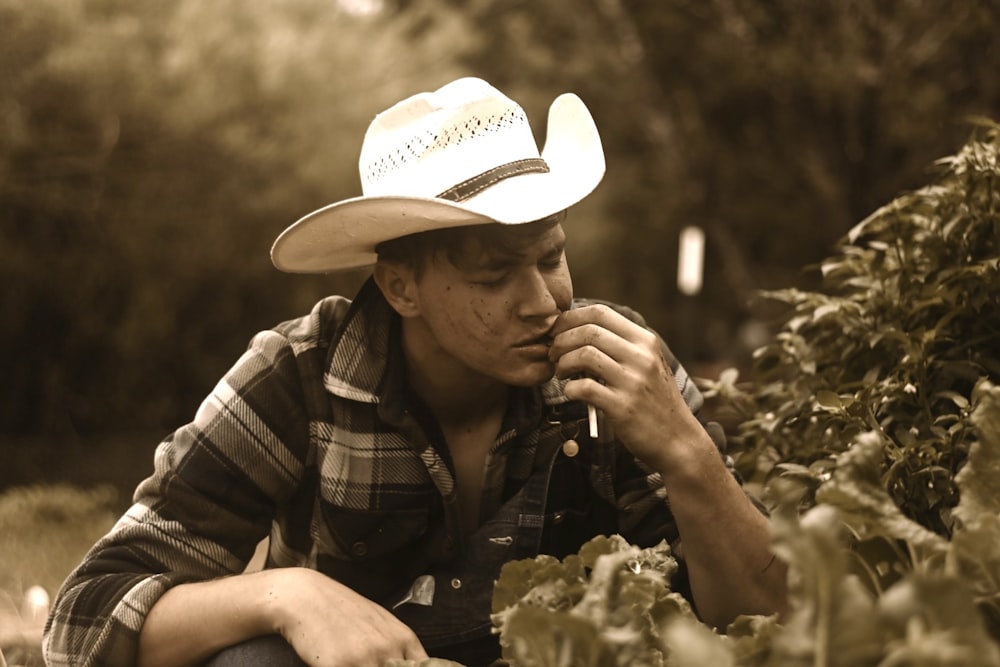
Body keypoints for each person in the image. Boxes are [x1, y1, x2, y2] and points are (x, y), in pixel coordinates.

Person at [43, 77, 787, 667]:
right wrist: (287, 594)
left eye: (553, 256)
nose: (546, 300)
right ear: (402, 287)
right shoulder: (297, 377)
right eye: (497, 274)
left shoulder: (622, 366)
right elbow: (81, 619)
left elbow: (763, 624)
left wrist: (688, 454)